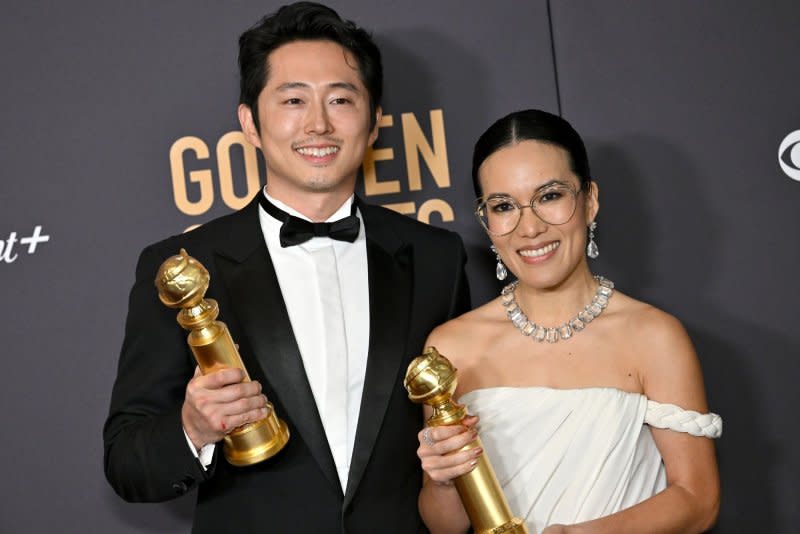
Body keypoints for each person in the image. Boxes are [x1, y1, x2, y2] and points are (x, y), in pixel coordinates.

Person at [103, 3, 470, 533]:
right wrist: (192, 429)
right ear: (250, 123)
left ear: (373, 123)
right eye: (293, 100)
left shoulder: (438, 256)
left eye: (341, 100)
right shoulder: (181, 267)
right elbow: (125, 461)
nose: (318, 124)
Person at [415, 109, 721, 534]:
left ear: (589, 201)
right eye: (504, 206)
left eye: (550, 196)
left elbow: (697, 499)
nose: (530, 227)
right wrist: (443, 481)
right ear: (486, 222)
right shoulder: (452, 348)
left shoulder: (653, 337)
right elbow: (445, 527)